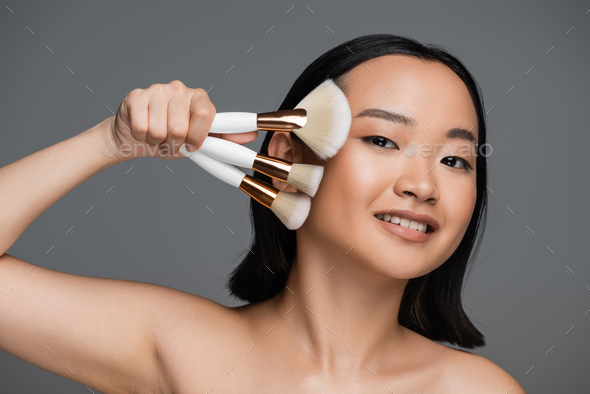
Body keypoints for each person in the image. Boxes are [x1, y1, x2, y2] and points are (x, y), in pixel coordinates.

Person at [0, 34, 525, 393]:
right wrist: (107, 143)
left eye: (456, 159)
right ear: (284, 154)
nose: (422, 184)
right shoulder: (180, 346)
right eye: (384, 139)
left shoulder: (478, 389)